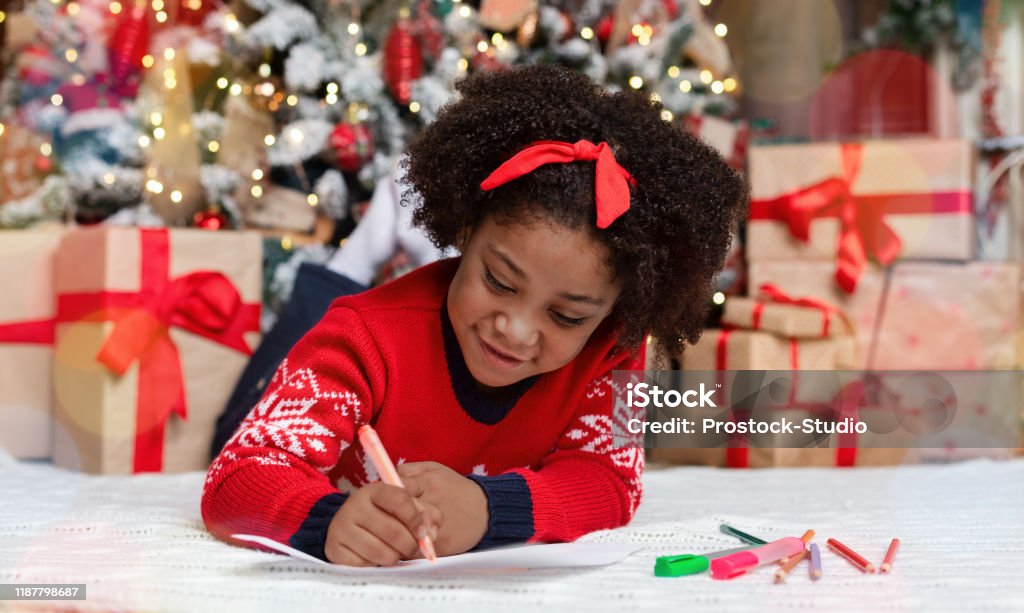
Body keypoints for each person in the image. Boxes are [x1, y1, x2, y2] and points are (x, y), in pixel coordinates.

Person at [201, 64, 747, 566]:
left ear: (619, 307)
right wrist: (326, 522)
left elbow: (610, 482)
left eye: (567, 317)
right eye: (499, 282)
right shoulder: (362, 338)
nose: (516, 329)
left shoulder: (613, 349)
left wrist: (489, 509)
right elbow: (236, 476)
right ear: (464, 232)